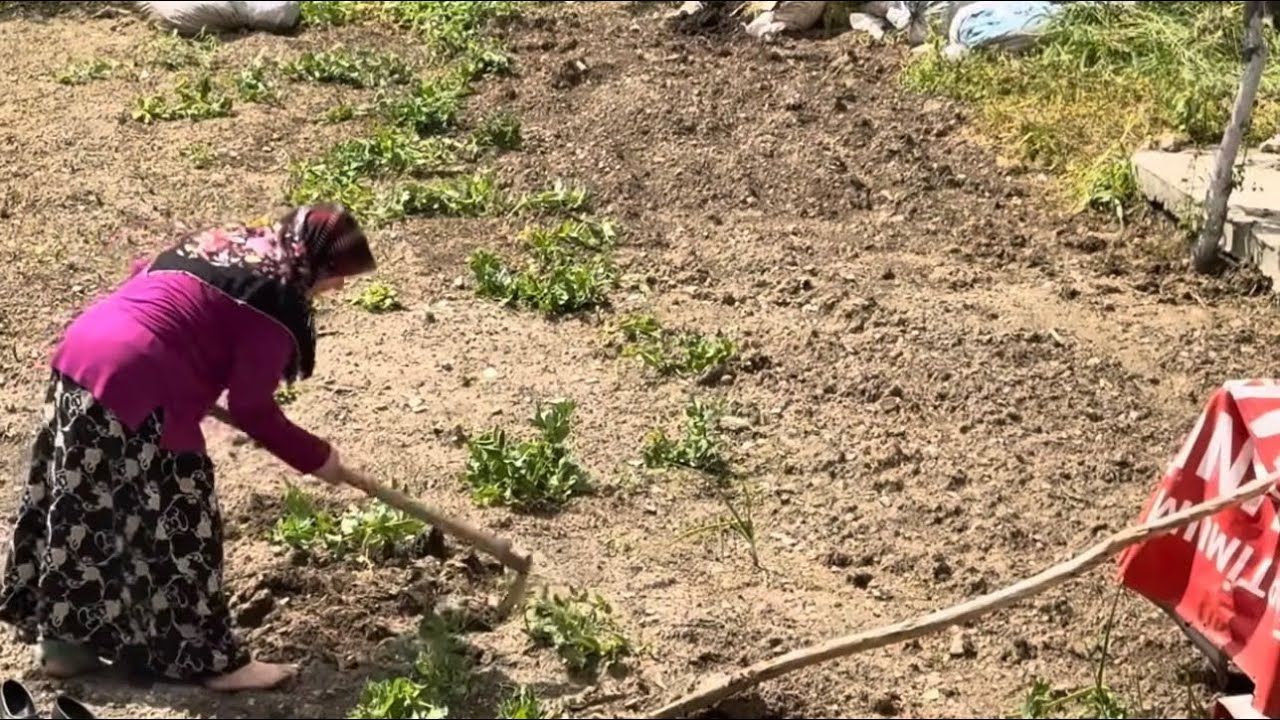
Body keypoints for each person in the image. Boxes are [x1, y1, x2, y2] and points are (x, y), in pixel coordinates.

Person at [0, 204, 377, 692]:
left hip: (83, 354)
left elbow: (147, 279)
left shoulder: (226, 245)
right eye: (338, 276)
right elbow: (252, 408)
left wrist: (196, 354)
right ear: (318, 265)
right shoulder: (273, 302)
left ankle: (66, 647)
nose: (339, 287)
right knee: (184, 521)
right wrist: (317, 457)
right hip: (142, 382)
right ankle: (212, 661)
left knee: (84, 504)